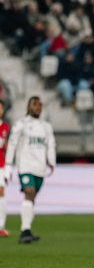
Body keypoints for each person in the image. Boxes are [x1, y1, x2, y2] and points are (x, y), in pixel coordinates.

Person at [4, 97, 56, 244]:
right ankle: (24, 231)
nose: (38, 108)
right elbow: (12, 144)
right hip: (25, 165)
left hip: (40, 167)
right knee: (29, 192)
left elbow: (51, 144)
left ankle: (27, 229)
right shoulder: (21, 124)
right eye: (35, 105)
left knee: (32, 198)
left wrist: (51, 161)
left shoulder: (46, 126)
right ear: (28, 107)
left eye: (40, 105)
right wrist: (8, 165)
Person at [0, 100, 9, 236]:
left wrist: (8, 168)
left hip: (0, 164)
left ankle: (1, 226)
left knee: (1, 192)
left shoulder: (4, 126)